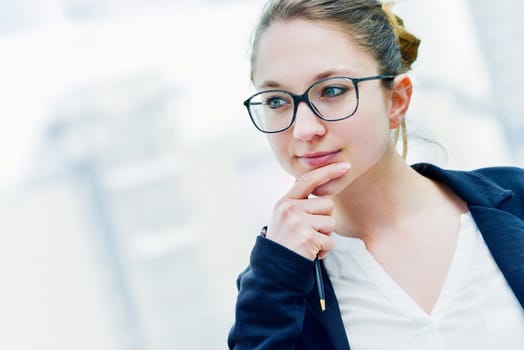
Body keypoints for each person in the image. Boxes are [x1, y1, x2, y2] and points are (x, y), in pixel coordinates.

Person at [228, 0, 524, 349]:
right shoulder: (280, 284)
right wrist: (276, 273)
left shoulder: (514, 203)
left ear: (397, 100)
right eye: (277, 101)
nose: (304, 129)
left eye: (333, 91)